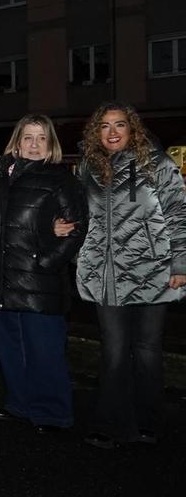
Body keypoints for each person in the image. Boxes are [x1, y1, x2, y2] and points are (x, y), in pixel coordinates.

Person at [0, 114, 87, 433]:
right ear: (16, 141)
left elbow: (74, 230)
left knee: (44, 351)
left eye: (40, 138)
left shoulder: (60, 180)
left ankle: (52, 413)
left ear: (50, 144)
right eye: (27, 137)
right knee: (9, 348)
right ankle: (20, 403)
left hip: (37, 284)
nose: (33, 144)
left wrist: (43, 264)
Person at [75, 102, 186, 449]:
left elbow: (178, 213)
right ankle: (109, 422)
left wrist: (180, 264)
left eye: (120, 125)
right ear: (96, 132)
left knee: (149, 350)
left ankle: (149, 421)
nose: (112, 132)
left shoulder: (158, 164)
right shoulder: (88, 168)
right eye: (105, 126)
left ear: (132, 128)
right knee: (114, 350)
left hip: (153, 269)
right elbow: (82, 215)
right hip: (105, 273)